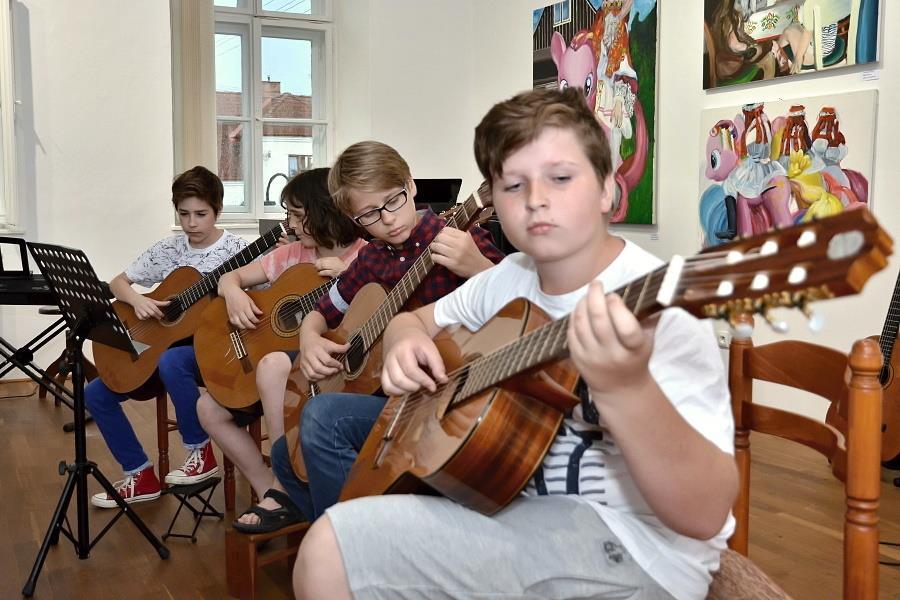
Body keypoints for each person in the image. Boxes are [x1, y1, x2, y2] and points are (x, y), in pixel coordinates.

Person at [292, 87, 738, 600]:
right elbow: (412, 321)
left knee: (330, 549)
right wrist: (401, 342)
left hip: (632, 547)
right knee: (329, 547)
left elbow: (704, 516)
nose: (536, 200)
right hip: (502, 501)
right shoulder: (511, 277)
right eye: (513, 185)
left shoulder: (667, 307)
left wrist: (627, 389)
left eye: (561, 177)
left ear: (609, 191)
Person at [261, 140, 504, 530]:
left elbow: (525, 308)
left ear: (411, 185)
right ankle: (367, 528)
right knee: (282, 456)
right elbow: (322, 313)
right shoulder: (371, 257)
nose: (388, 219)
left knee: (321, 417)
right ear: (354, 220)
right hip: (392, 400)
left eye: (393, 200)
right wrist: (308, 336)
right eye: (370, 214)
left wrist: (478, 267)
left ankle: (351, 544)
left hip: (447, 397)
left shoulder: (459, 238)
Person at [195, 167, 366, 533]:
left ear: (323, 212)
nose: (289, 223)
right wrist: (235, 292)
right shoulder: (290, 255)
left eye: (297, 215)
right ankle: (269, 488)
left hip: (324, 366)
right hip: (272, 366)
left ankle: (284, 485)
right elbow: (229, 276)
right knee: (206, 407)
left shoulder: (362, 256)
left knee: (273, 364)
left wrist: (346, 275)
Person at [88, 165, 247, 508]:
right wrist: (138, 301)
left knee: (172, 359)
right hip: (162, 350)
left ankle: (199, 452)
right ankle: (140, 474)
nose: (192, 223)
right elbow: (118, 283)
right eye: (184, 213)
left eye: (201, 214)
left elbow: (261, 298)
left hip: (211, 351)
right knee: (95, 393)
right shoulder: (169, 249)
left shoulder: (238, 249)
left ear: (217, 210)